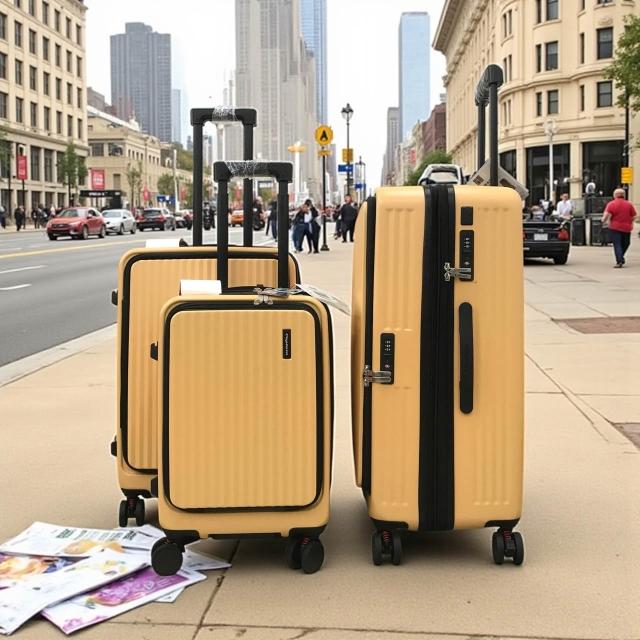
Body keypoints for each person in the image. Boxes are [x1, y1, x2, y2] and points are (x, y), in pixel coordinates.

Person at [602, 189, 637, 268]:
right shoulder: (629, 204)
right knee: (626, 243)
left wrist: (603, 221)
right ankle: (620, 257)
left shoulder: (611, 204)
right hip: (627, 227)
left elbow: (606, 215)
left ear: (615, 195)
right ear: (624, 195)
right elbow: (634, 216)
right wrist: (630, 221)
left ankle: (619, 259)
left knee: (617, 244)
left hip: (615, 227)